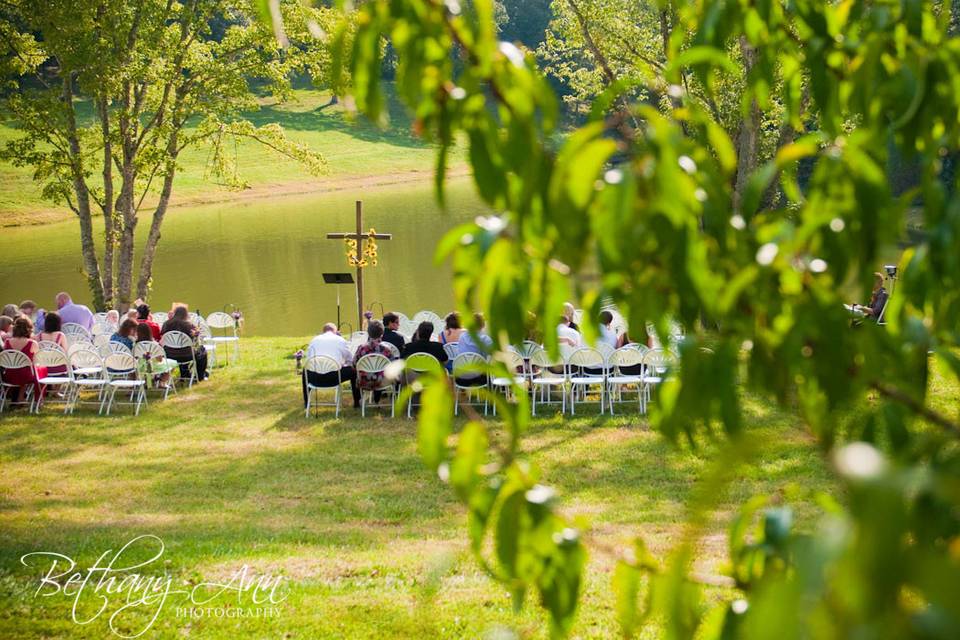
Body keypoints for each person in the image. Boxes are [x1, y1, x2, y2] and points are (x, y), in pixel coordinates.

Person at [303, 323, 360, 409]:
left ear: (323, 331)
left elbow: (308, 360)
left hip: (315, 378)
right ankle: (357, 401)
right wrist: (342, 363)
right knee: (353, 371)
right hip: (334, 378)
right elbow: (350, 360)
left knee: (305, 371)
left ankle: (306, 401)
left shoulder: (314, 340)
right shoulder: (340, 340)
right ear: (336, 331)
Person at [1, 316, 46, 407]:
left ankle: (20, 398)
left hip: (9, 375)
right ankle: (38, 400)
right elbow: (37, 362)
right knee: (41, 371)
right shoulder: (32, 343)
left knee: (22, 368)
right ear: (29, 329)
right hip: (25, 376)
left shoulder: (7, 342)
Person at [161, 304, 209, 381]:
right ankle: (200, 376)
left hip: (169, 354)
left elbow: (163, 335)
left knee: (180, 347)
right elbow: (194, 338)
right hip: (187, 355)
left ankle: (185, 373)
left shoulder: (166, 324)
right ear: (185, 314)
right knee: (202, 351)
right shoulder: (188, 325)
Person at [353, 320, 397, 401]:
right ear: (382, 334)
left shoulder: (361, 348)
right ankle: (389, 399)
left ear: (368, 333)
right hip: (383, 382)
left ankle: (358, 400)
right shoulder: (387, 349)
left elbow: (354, 364)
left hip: (364, 381)